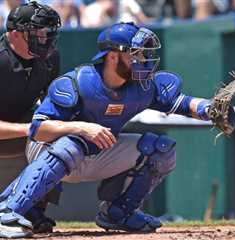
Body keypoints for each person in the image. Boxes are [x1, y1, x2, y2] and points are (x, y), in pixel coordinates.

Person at [0, 22, 211, 238]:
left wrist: (210, 109)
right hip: (50, 150)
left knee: (161, 149)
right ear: (112, 56)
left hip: (97, 151)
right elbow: (38, 129)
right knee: (71, 145)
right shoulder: (78, 83)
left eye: (143, 55)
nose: (143, 61)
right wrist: (82, 128)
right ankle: (7, 211)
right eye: (135, 55)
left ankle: (119, 213)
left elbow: (182, 103)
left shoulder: (142, 86)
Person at [0, 0, 61, 235]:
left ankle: (31, 208)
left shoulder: (50, 58)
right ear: (14, 35)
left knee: (60, 134)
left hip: (20, 127)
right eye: (36, 33)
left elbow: (53, 105)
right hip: (14, 129)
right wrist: (29, 130)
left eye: (46, 32)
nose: (43, 38)